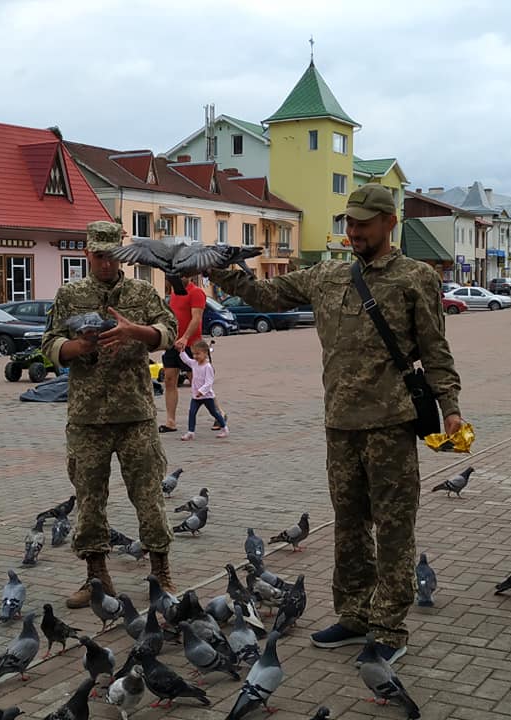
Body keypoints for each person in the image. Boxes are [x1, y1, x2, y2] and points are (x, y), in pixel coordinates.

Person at [207, 183, 464, 665]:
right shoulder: (326, 276)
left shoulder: (415, 279)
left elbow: (435, 352)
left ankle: (389, 626)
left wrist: (449, 406)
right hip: (339, 427)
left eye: (364, 223)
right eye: (350, 222)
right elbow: (267, 293)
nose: (355, 231)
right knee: (347, 526)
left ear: (391, 223)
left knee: (392, 529)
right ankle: (354, 615)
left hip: (390, 425)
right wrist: (215, 269)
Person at [41, 221, 178, 608]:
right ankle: (96, 578)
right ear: (87, 253)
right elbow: (49, 343)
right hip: (88, 419)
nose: (105, 263)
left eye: (112, 255)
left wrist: (138, 332)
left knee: (150, 496)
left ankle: (160, 571)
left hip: (135, 414)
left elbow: (169, 329)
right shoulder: (70, 295)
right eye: (98, 256)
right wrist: (76, 348)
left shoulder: (142, 291)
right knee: (88, 500)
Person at [158, 274, 206, 433]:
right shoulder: (174, 293)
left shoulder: (196, 292)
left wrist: (185, 338)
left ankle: (219, 414)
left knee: (199, 383)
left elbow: (196, 318)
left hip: (192, 345)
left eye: (183, 274)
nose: (179, 277)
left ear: (190, 275)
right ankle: (171, 421)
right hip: (173, 343)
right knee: (170, 380)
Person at [178, 339, 228, 440]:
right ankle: (191, 432)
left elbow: (209, 382)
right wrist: (182, 351)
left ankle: (224, 428)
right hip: (196, 396)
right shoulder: (194, 363)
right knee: (192, 412)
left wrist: (202, 391)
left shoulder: (207, 367)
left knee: (214, 412)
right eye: (194, 354)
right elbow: (186, 360)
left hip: (207, 396)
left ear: (205, 353)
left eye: (198, 354)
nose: (195, 356)